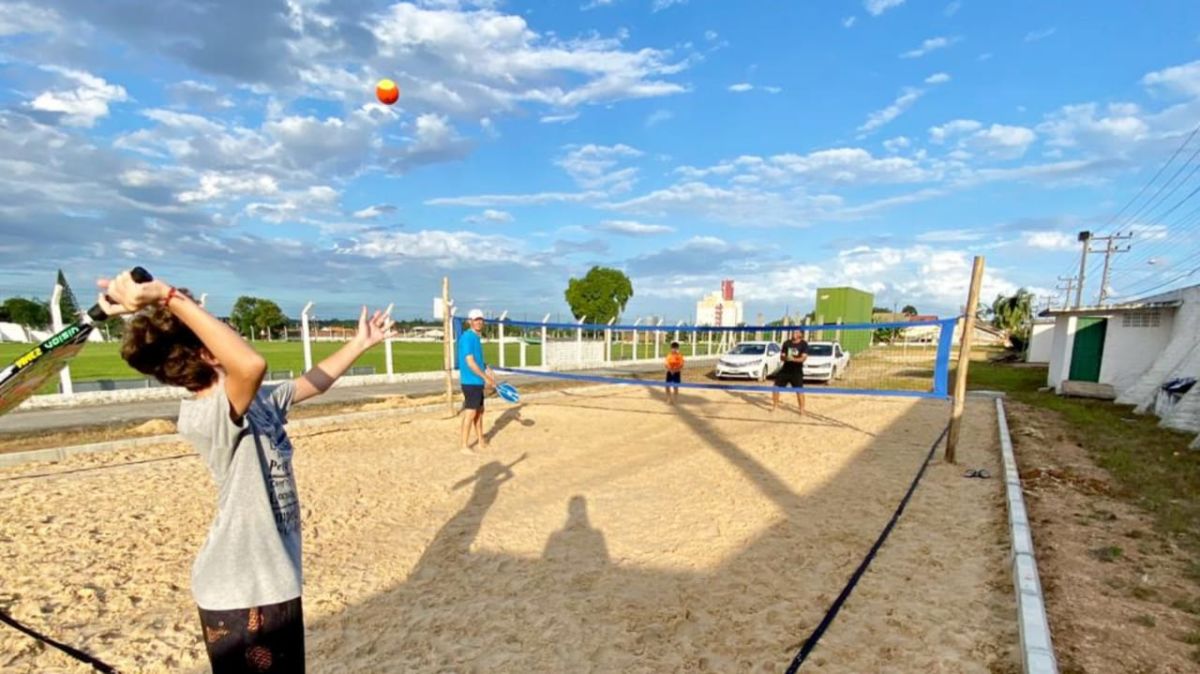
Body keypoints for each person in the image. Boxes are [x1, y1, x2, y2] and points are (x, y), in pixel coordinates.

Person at [98, 269, 394, 673]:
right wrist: (168, 297)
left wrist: (360, 343)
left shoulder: (255, 403)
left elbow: (313, 383)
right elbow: (252, 364)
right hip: (241, 590)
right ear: (208, 353)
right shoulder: (208, 414)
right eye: (219, 328)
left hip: (272, 582)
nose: (230, 332)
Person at [458, 308, 497, 453]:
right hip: (470, 382)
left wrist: (486, 367)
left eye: (480, 319)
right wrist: (486, 378)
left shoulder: (476, 337)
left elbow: (477, 360)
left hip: (476, 382)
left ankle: (481, 440)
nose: (479, 322)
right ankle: (464, 446)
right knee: (470, 413)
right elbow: (470, 362)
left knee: (479, 412)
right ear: (470, 322)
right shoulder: (468, 337)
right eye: (475, 320)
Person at [773, 328, 808, 415]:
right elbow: (782, 357)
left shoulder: (804, 344)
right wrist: (786, 358)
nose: (794, 333)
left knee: (799, 391)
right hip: (786, 369)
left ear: (800, 334)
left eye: (796, 332)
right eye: (793, 331)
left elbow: (803, 358)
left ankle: (802, 410)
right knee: (775, 387)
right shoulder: (787, 343)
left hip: (796, 371)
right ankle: (775, 406)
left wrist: (793, 359)